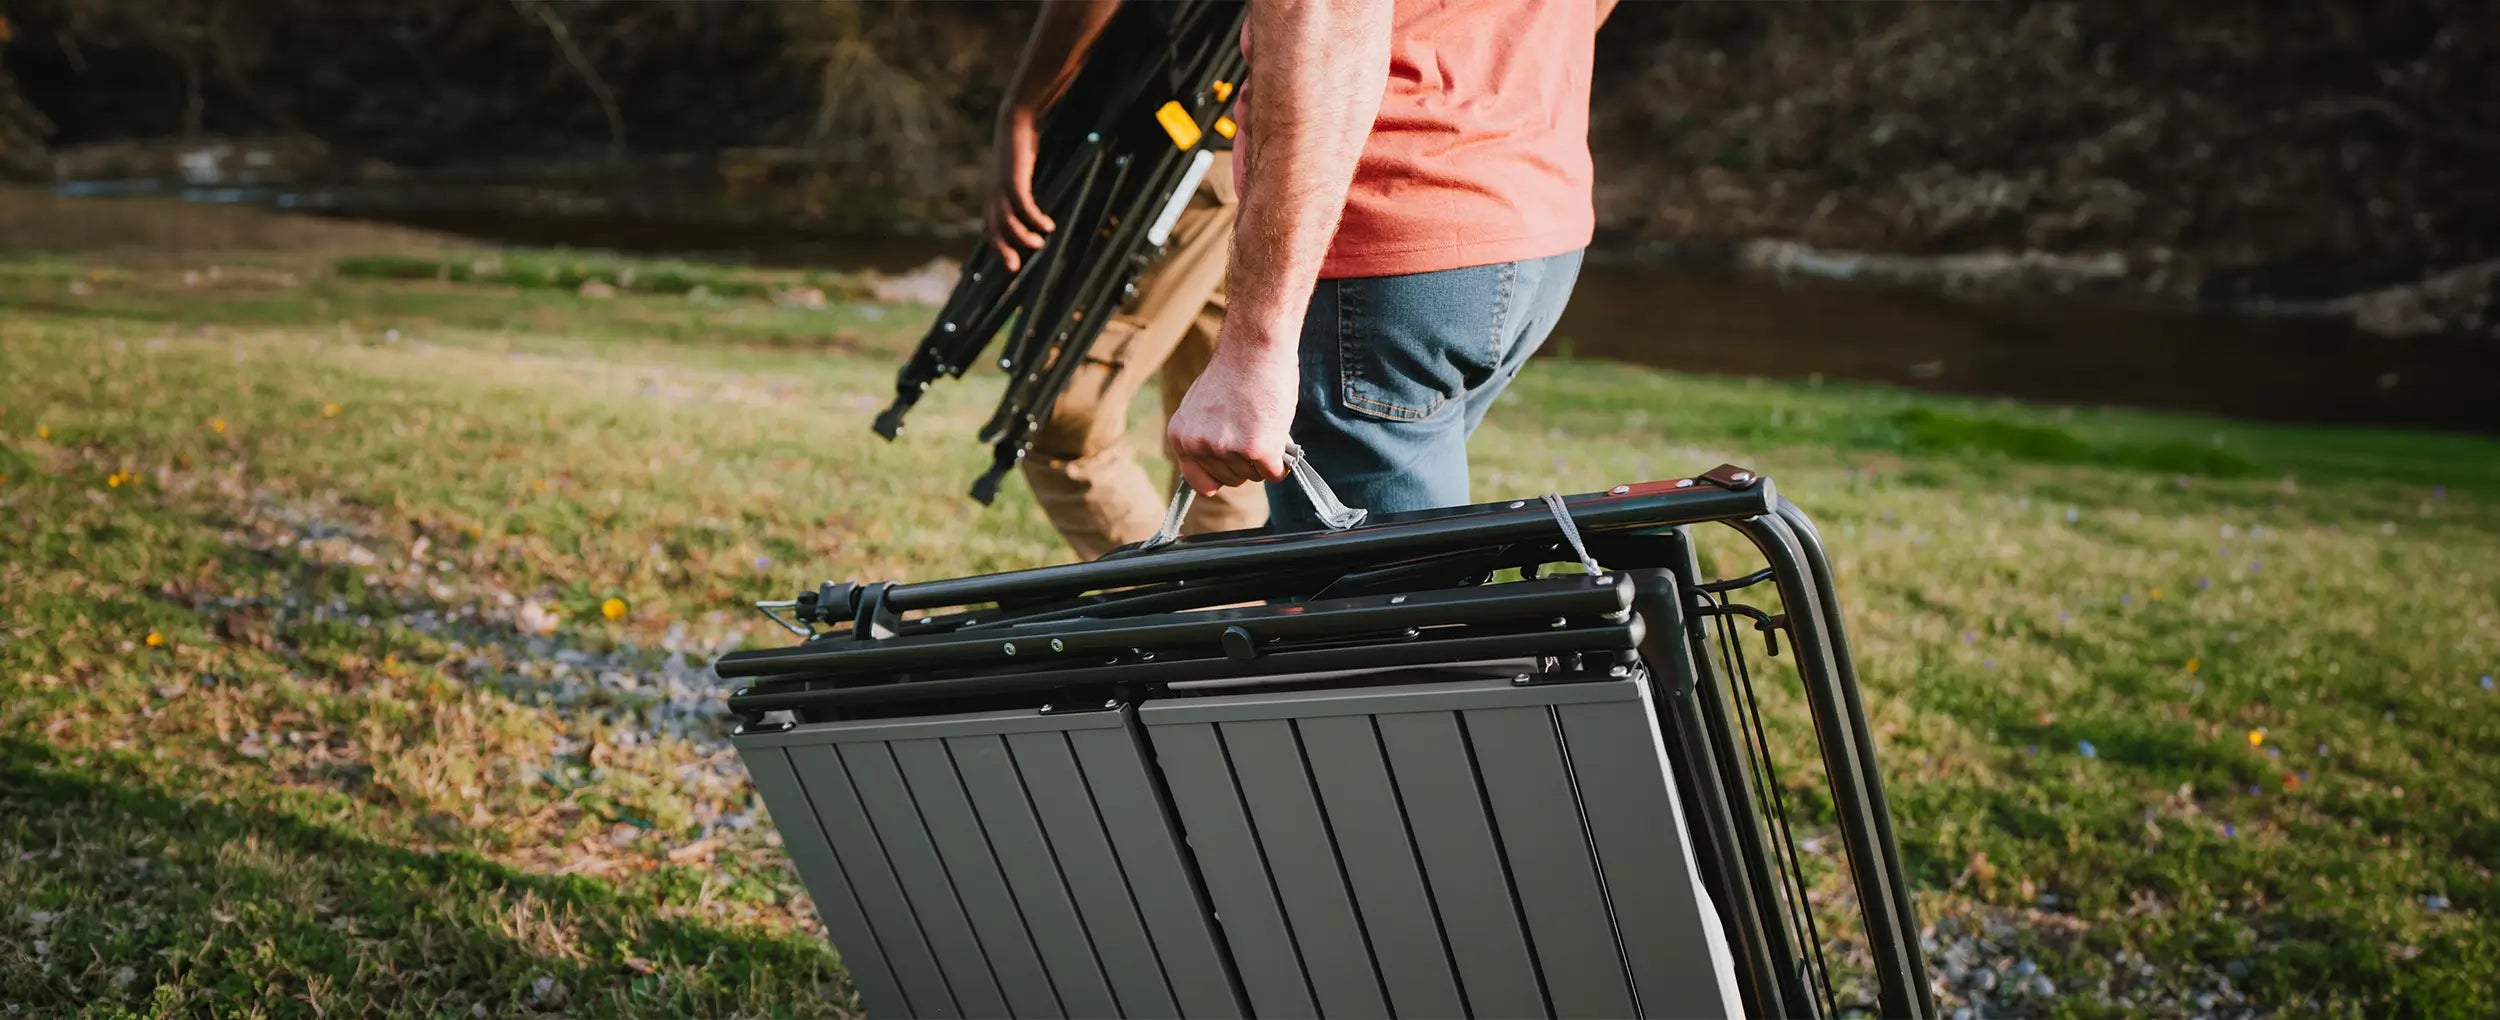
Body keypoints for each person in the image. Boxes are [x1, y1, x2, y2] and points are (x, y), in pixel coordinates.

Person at [1165, 0, 1606, 530]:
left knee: (1387, 600)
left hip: (1389, 253)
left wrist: (1255, 348)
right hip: (1532, 222)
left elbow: (1323, 23)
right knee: (1388, 571)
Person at [984, 0, 1264, 561]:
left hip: (1172, 164)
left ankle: (1187, 613)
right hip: (1245, 154)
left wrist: (1023, 108)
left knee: (1062, 419)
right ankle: (1233, 622)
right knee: (1225, 446)